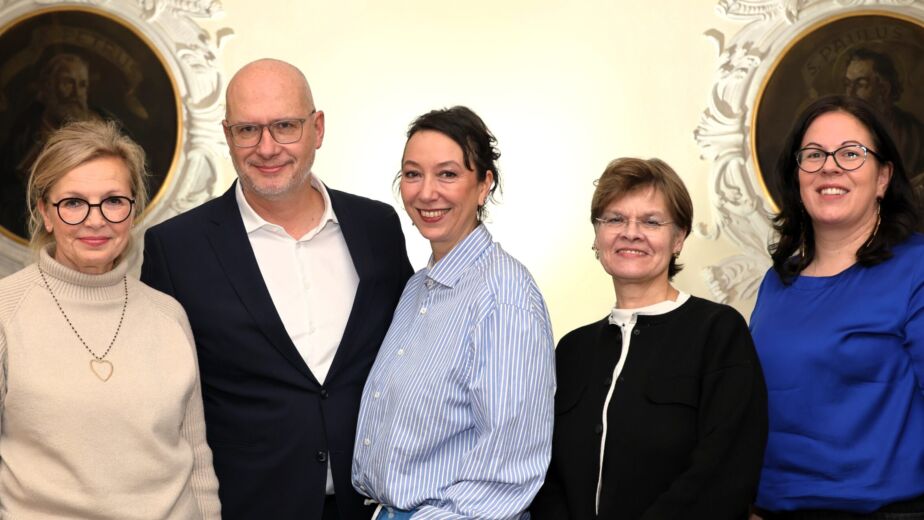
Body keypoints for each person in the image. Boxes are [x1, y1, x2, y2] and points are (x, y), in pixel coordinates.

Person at [140, 58, 413, 520]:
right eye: (248, 130)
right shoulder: (176, 248)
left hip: (373, 506)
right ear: (228, 136)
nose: (267, 148)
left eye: (285, 126)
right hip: (245, 508)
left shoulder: (377, 227)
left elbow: (412, 355)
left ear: (317, 128)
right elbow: (157, 401)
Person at [0, 120, 220, 518]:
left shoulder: (168, 315)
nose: (95, 220)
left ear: (134, 211)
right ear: (45, 213)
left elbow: (196, 461)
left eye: (114, 200)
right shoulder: (5, 312)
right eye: (73, 203)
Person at [531, 157, 767, 519]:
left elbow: (724, 472)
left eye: (651, 221)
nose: (631, 232)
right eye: (614, 219)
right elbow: (547, 474)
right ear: (597, 236)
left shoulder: (718, 333)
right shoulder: (572, 350)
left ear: (679, 238)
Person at [351, 106, 556, 519]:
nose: (427, 192)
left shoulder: (503, 299)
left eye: (447, 174)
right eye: (413, 174)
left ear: (484, 185)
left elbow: (509, 470)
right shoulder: (415, 289)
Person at [750, 94, 924, 517]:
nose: (830, 166)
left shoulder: (916, 268)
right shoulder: (778, 282)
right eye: (813, 155)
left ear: (883, 178)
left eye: (851, 153)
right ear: (797, 178)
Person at [1, 53, 105, 239]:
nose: (76, 93)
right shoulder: (22, 135)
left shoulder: (107, 129)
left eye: (82, 85)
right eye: (68, 83)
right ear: (47, 87)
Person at [843, 48, 924, 187]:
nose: (850, 93)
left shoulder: (913, 133)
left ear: (884, 89)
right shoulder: (837, 129)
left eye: (861, 84)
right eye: (848, 84)